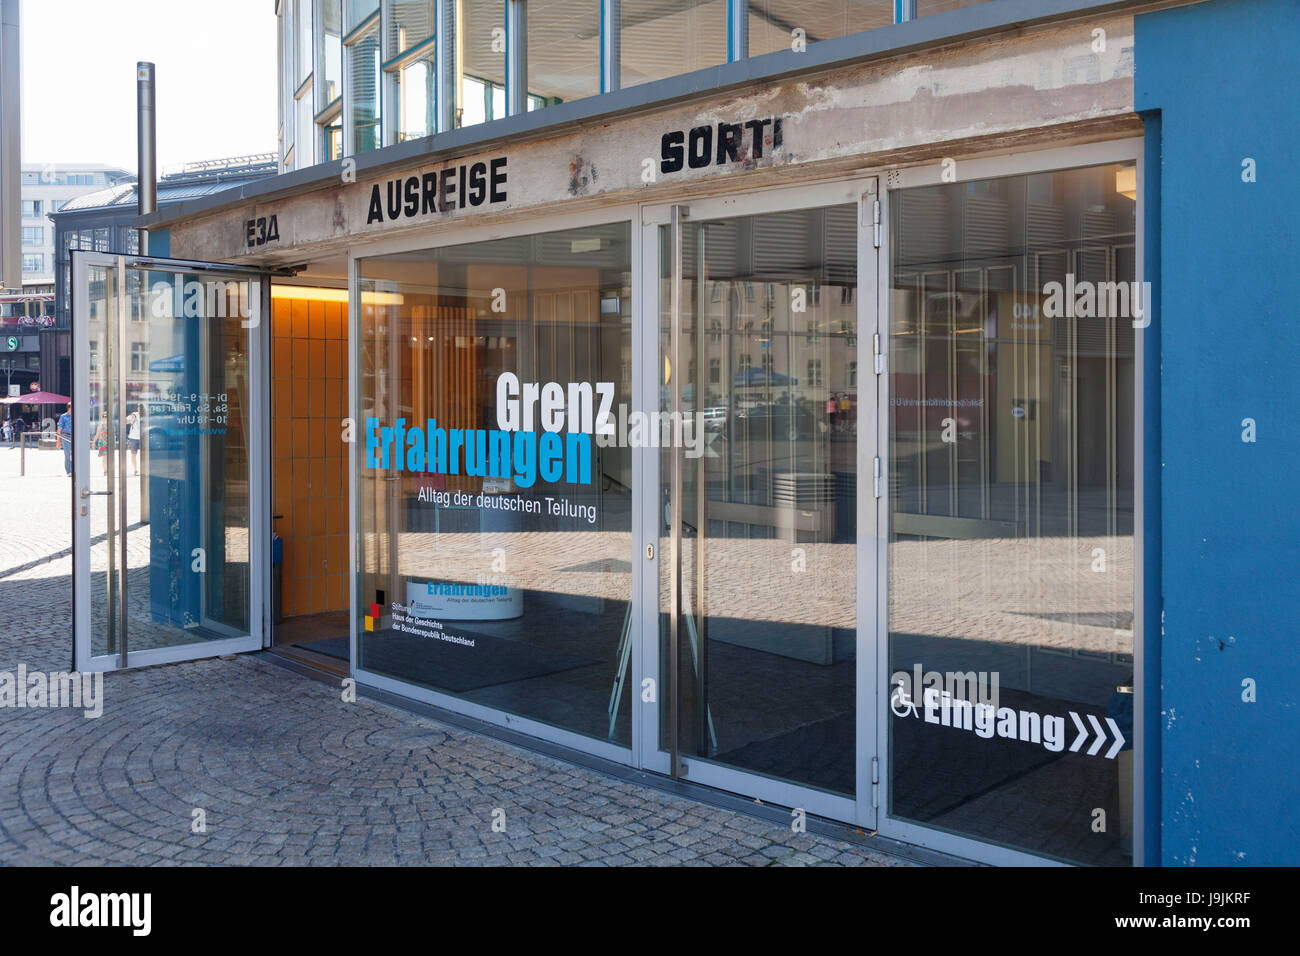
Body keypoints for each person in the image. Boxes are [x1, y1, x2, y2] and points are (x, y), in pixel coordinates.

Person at [58, 404, 73, 476]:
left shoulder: (76, 415)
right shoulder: (63, 416)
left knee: (75, 454)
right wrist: (58, 441)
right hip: (65, 436)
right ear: (68, 408)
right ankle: (69, 471)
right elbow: (59, 429)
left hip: (75, 437)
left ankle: (74, 470)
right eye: (71, 408)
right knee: (67, 454)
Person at [125, 406, 141, 475]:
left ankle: (143, 468)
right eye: (139, 407)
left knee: (145, 454)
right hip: (133, 437)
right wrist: (131, 419)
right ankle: (135, 469)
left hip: (143, 437)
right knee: (133, 454)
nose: (140, 408)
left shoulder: (147, 415)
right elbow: (126, 421)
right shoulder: (135, 414)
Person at [93, 410, 108, 475]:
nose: (105, 417)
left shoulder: (110, 424)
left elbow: (113, 434)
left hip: (109, 442)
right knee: (105, 457)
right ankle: (105, 470)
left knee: (108, 457)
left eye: (106, 416)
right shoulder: (100, 425)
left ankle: (107, 469)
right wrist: (93, 442)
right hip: (102, 442)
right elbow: (97, 434)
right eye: (103, 416)